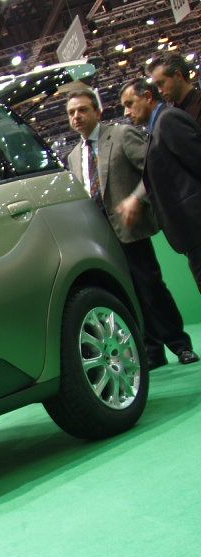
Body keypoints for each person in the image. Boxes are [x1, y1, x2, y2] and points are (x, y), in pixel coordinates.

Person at [65, 89, 198, 368]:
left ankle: (180, 344)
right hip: (102, 240)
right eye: (71, 112)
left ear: (97, 112)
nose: (76, 116)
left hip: (130, 229)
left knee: (151, 288)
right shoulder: (73, 156)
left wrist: (136, 199)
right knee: (129, 295)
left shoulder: (121, 135)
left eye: (82, 110)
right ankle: (152, 351)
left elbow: (152, 168)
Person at [118, 79, 201, 293]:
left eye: (129, 103)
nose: (126, 112)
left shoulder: (168, 120)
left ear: (147, 97)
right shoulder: (157, 127)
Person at [147, 53, 201, 124]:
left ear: (178, 75)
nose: (159, 91)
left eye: (161, 83)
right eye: (157, 86)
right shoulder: (173, 113)